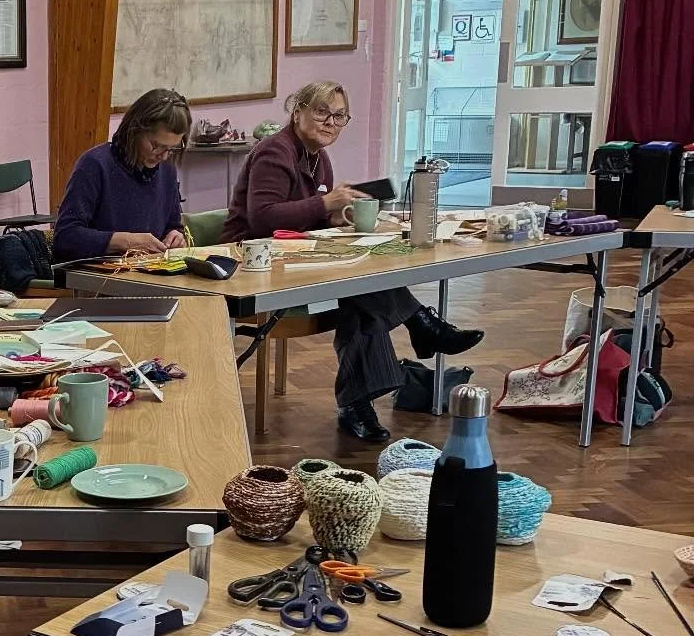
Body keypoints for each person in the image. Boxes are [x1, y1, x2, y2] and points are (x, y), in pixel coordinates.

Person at [222, 82, 482, 443]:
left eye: (339, 116)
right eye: (322, 112)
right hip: (252, 262)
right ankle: (415, 328)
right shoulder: (274, 152)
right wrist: (326, 206)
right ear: (297, 111)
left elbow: (304, 219)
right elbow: (263, 219)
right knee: (360, 286)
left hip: (293, 256)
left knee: (360, 292)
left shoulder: (317, 157)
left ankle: (361, 399)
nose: (331, 122)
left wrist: (337, 217)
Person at [52, 87, 191, 261]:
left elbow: (173, 226)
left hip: (146, 275)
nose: (163, 155)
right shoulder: (95, 165)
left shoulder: (167, 169)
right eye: (156, 145)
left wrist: (175, 236)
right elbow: (65, 237)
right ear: (135, 130)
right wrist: (127, 241)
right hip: (97, 278)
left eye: (171, 149)